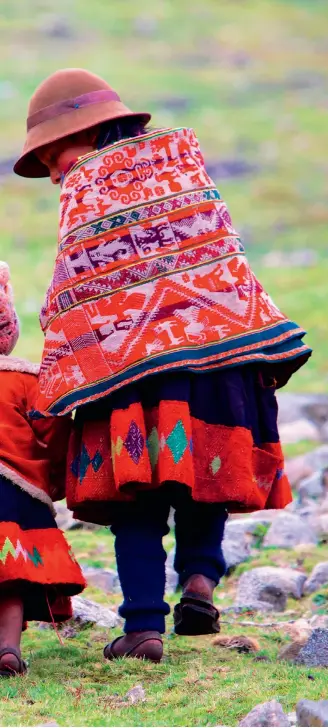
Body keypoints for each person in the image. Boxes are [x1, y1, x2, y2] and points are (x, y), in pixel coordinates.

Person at [14, 68, 312, 663]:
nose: (53, 173)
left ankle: (144, 628)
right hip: (219, 369)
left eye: (53, 156)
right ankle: (200, 583)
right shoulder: (182, 166)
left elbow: (76, 293)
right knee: (206, 483)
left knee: (136, 509)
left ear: (88, 133)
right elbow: (220, 255)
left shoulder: (87, 188)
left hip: (134, 384)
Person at [0, 261, 86, 677]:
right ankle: (7, 648)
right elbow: (55, 434)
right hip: (15, 494)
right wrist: (50, 483)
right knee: (11, 572)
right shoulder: (26, 381)